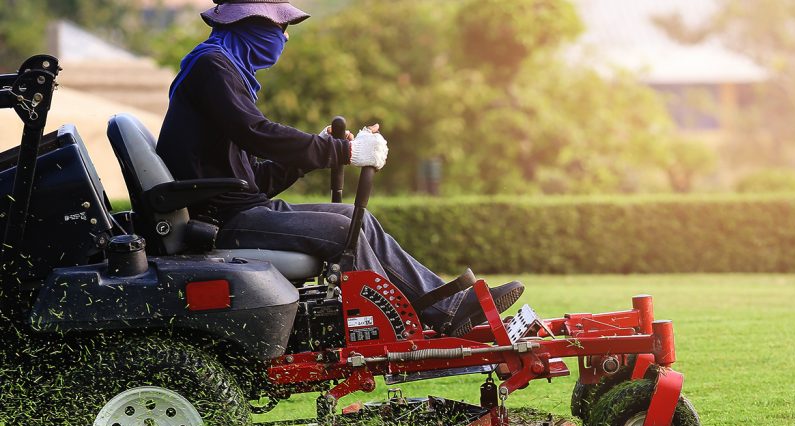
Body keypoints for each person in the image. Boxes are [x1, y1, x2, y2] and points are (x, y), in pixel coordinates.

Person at [156, 0, 523, 336]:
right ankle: (393, 326)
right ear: (250, 26)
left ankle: (448, 308)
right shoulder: (211, 67)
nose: (284, 37)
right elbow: (259, 134)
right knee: (343, 227)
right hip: (220, 222)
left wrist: (319, 152)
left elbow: (251, 180)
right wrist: (340, 151)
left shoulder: (220, 67)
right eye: (278, 27)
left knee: (354, 216)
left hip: (235, 209)